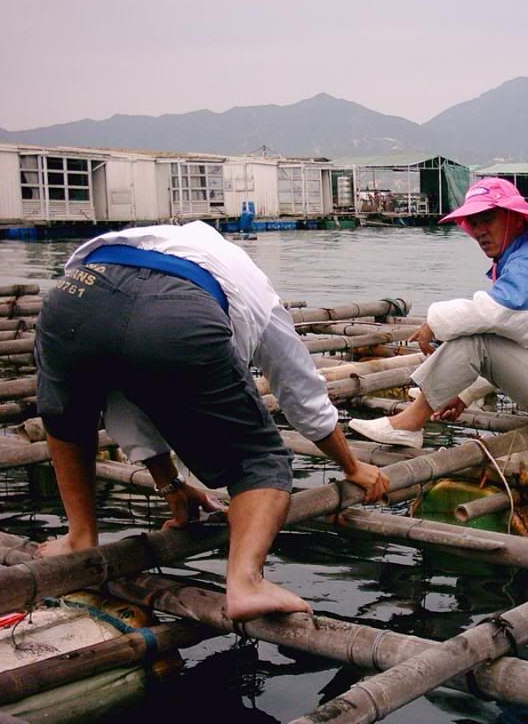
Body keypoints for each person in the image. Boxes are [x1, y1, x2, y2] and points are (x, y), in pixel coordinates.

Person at [35, 221, 389, 621]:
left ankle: (80, 537)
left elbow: (119, 392)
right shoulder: (253, 286)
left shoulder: (151, 240)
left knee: (67, 418)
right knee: (260, 460)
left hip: (73, 296)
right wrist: (352, 466)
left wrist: (171, 484)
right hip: (176, 313)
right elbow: (300, 391)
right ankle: (245, 582)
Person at [349, 177, 528, 448]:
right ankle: (434, 396)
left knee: (476, 338)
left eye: (488, 219)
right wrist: (465, 395)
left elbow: (490, 316)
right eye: (475, 222)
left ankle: (408, 424)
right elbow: (510, 333)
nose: (480, 230)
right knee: (481, 333)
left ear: (514, 218)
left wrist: (433, 322)